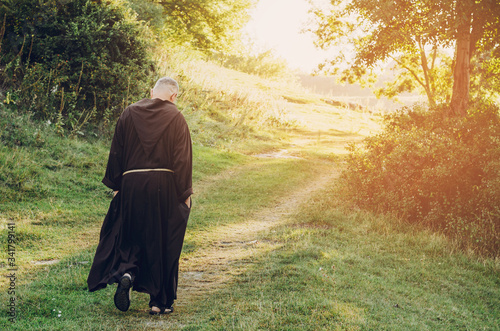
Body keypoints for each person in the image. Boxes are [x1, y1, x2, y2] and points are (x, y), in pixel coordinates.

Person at [87, 77, 193, 315]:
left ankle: (128, 272)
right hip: (163, 184)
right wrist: (185, 192)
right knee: (162, 240)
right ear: (174, 96)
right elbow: (182, 158)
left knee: (132, 234)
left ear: (152, 91)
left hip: (131, 183)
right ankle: (159, 303)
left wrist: (117, 185)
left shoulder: (129, 112)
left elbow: (117, 150)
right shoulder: (176, 117)